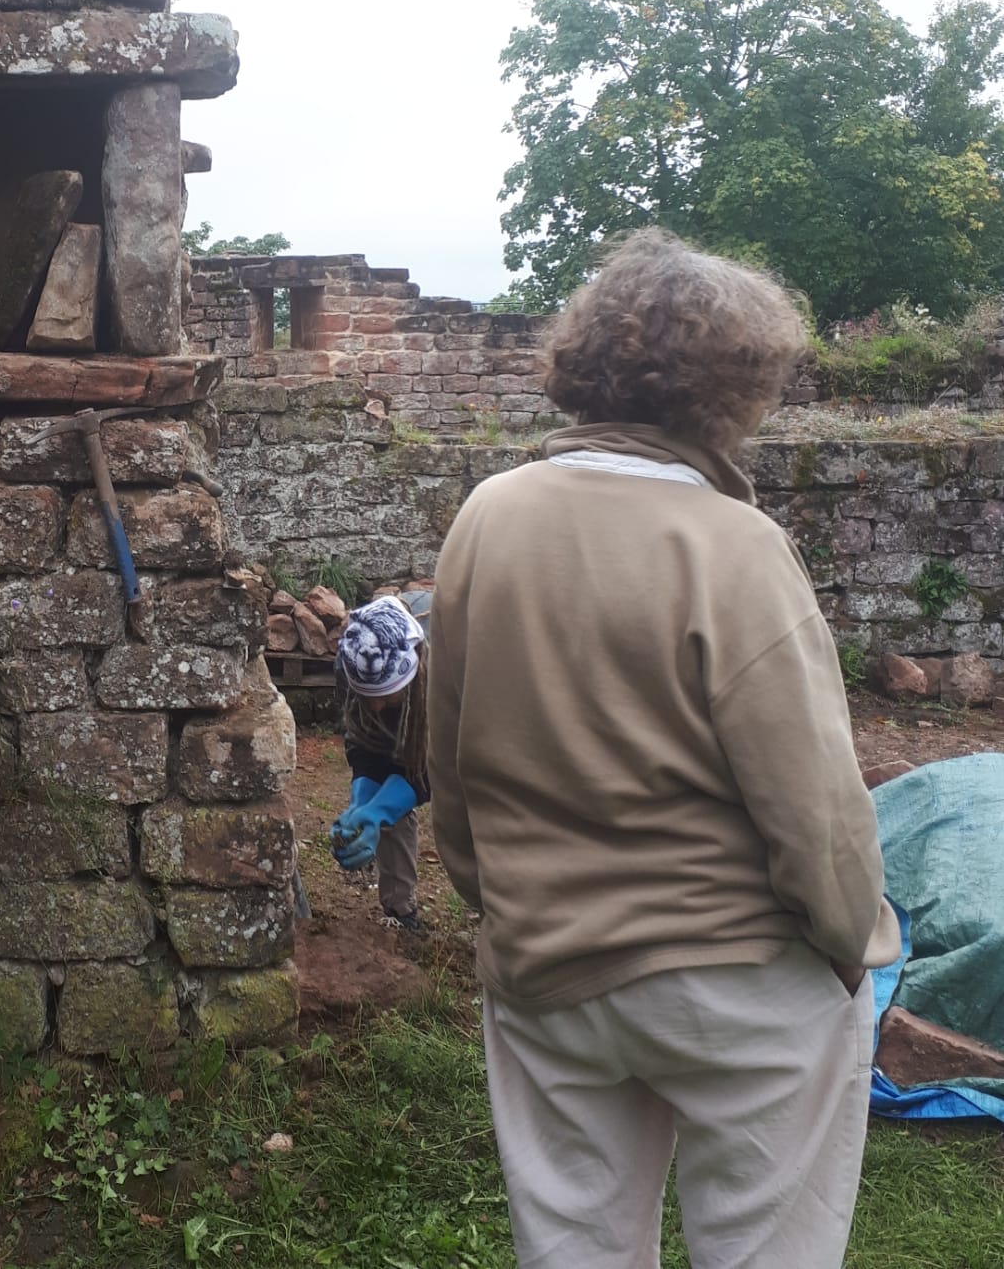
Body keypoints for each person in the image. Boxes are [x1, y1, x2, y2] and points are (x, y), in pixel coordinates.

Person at [427, 229, 900, 1269]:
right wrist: (847, 942)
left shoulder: (487, 517)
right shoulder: (735, 545)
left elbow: (448, 761)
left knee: (574, 1249)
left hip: (547, 966)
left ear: (582, 359)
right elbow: (813, 805)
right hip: (737, 978)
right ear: (738, 387)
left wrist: (501, 906)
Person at [330, 593, 432, 931]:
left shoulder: (446, 678)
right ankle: (400, 911)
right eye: (367, 697)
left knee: (474, 820)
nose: (375, 707)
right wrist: (363, 800)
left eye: (386, 697)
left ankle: (498, 911)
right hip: (411, 715)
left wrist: (380, 809)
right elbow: (362, 738)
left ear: (411, 676)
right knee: (387, 804)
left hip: (456, 735)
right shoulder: (352, 658)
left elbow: (440, 766)